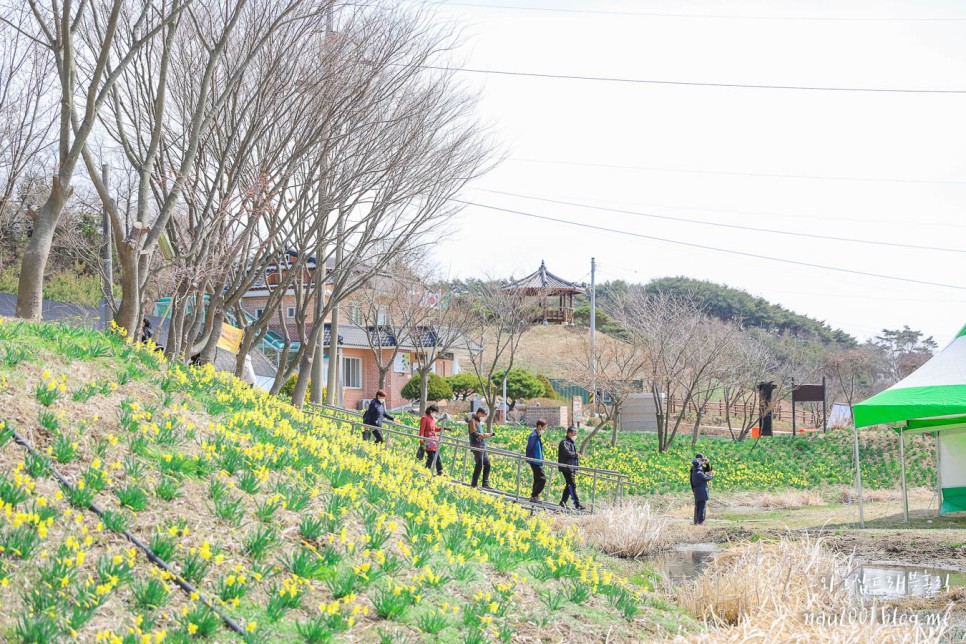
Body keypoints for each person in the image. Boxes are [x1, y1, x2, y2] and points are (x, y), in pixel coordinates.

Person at [558, 426, 585, 510]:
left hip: (571, 467)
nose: (575, 436)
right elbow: (567, 453)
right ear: (569, 434)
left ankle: (563, 502)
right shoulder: (564, 442)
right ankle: (577, 504)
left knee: (569, 485)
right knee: (572, 485)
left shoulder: (570, 442)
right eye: (574, 434)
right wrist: (576, 454)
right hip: (567, 467)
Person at [467, 407, 494, 489]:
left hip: (482, 445)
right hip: (477, 446)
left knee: (487, 464)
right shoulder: (472, 421)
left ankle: (485, 483)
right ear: (479, 413)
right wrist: (485, 435)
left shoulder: (477, 421)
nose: (483, 417)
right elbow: (474, 433)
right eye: (483, 415)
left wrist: (485, 435)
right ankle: (474, 484)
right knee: (479, 465)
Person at [419, 405, 447, 476]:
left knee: (437, 455)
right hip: (427, 440)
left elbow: (435, 429)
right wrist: (421, 440)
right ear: (431, 411)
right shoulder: (424, 418)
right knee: (431, 456)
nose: (436, 414)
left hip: (434, 441)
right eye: (435, 412)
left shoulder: (432, 419)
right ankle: (426, 471)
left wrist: (444, 428)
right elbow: (422, 430)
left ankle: (440, 471)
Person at [525, 419, 548, 503]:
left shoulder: (537, 435)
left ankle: (534, 496)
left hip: (538, 460)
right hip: (534, 460)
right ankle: (534, 495)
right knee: (542, 479)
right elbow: (529, 447)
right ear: (539, 427)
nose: (545, 430)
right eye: (544, 428)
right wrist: (528, 458)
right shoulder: (533, 436)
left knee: (537, 479)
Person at [690, 453, 714, 525]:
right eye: (701, 460)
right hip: (700, 490)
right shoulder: (698, 471)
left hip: (697, 490)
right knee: (701, 506)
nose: (702, 461)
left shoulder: (695, 468)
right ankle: (700, 521)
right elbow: (707, 477)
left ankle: (697, 521)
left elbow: (708, 469)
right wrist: (711, 475)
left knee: (699, 506)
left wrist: (707, 463)